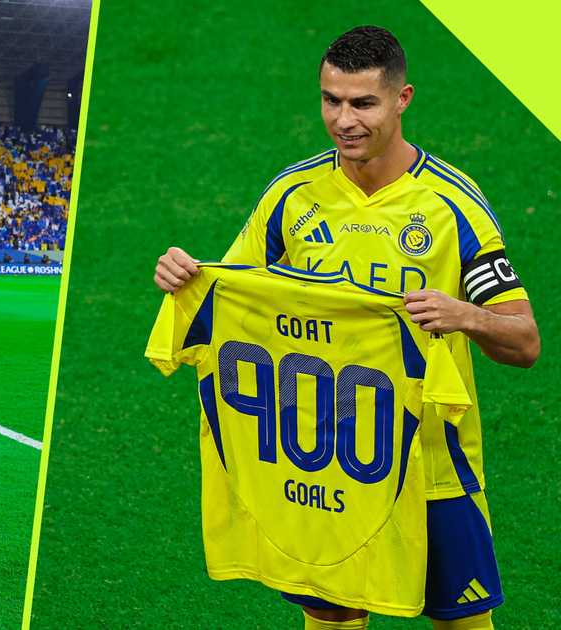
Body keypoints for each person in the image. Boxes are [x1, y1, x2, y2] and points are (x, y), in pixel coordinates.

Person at [152, 26, 539, 630]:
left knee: (461, 623)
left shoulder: (453, 208)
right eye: (331, 100)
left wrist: (463, 314)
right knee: (332, 621)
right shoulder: (291, 197)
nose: (344, 120)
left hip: (433, 466)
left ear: (402, 98)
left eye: (363, 103)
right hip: (327, 467)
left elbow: (525, 341)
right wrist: (185, 272)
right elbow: (230, 288)